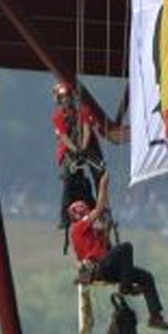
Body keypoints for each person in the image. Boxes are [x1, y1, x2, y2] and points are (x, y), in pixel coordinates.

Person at [71, 180, 168, 331]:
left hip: (108, 270)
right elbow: (99, 209)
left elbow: (106, 249)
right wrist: (103, 186)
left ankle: (155, 316)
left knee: (146, 277)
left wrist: (106, 231)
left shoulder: (92, 234)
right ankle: (126, 287)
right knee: (126, 247)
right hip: (100, 268)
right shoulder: (78, 227)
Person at [53, 80, 124, 241]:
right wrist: (75, 150)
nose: (65, 102)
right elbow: (64, 137)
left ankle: (103, 210)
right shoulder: (58, 117)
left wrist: (83, 148)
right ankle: (65, 216)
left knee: (99, 175)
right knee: (70, 180)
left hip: (89, 147)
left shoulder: (83, 111)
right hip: (71, 150)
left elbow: (86, 130)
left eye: (67, 98)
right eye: (62, 99)